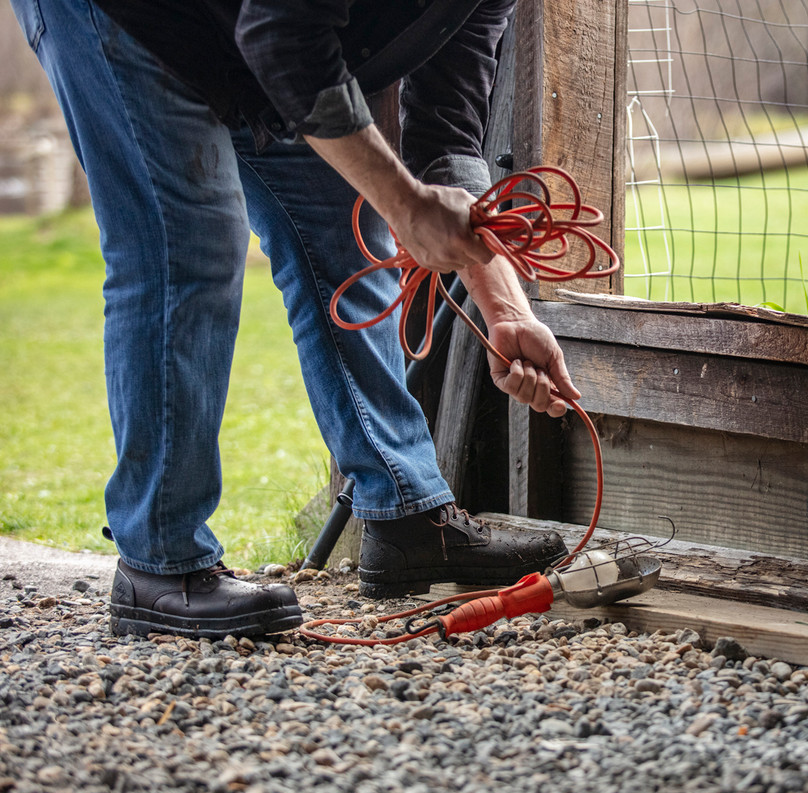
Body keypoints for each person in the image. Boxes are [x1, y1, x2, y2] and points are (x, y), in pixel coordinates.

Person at [10, 0, 581, 639]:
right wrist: (406, 204)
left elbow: (445, 134)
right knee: (186, 244)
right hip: (130, 15)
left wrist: (505, 306)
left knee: (346, 234)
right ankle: (160, 564)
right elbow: (283, 35)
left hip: (253, 34)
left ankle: (404, 515)